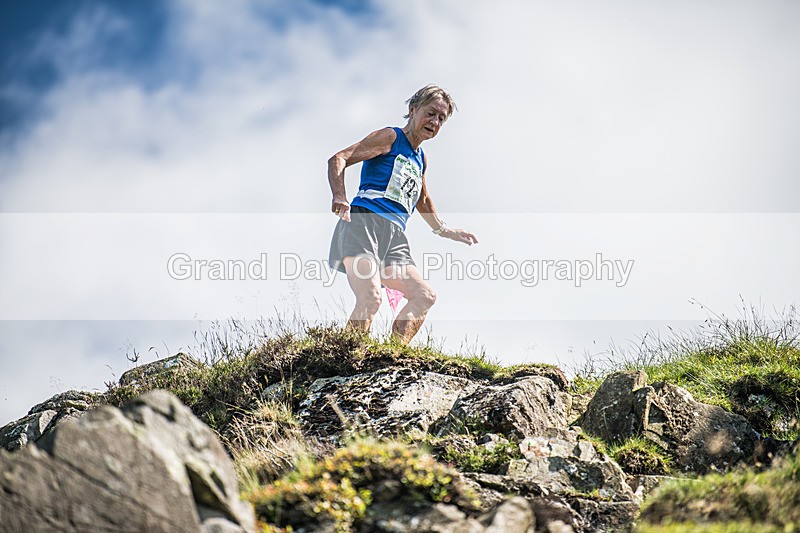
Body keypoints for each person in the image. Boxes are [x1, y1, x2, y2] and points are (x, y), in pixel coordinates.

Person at [327, 84, 478, 344]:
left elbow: (423, 199)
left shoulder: (421, 159)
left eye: (441, 118)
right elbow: (339, 158)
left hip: (395, 236)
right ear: (413, 109)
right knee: (371, 298)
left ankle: (394, 354)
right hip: (363, 222)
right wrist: (340, 195)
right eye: (430, 113)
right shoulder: (390, 137)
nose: (435, 122)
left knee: (424, 296)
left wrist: (444, 230)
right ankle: (344, 357)